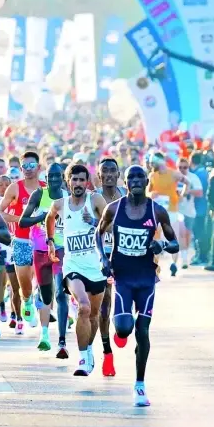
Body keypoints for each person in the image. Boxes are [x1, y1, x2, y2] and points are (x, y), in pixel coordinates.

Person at [96, 165, 179, 406]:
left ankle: (139, 385)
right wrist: (104, 258)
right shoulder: (114, 208)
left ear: (146, 181)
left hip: (145, 279)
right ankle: (121, 330)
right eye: (130, 177)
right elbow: (98, 233)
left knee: (143, 331)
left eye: (139, 177)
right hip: (122, 276)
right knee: (124, 329)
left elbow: (175, 244)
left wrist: (162, 246)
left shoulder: (157, 211)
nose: (135, 181)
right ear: (126, 180)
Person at [45, 164, 108, 377]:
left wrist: (96, 222)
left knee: (94, 315)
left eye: (82, 180)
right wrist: (51, 240)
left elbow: (111, 223)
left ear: (87, 182)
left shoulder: (95, 201)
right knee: (83, 307)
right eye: (74, 180)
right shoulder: (60, 204)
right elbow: (49, 217)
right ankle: (83, 358)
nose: (78, 184)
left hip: (96, 266)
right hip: (73, 266)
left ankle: (89, 351)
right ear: (68, 181)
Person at [19, 162, 68, 354]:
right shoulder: (39, 195)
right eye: (51, 177)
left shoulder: (68, 197)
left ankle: (60, 340)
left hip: (61, 249)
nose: (54, 180)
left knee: (60, 293)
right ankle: (45, 332)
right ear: (45, 180)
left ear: (63, 178)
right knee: (47, 296)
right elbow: (23, 221)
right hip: (40, 252)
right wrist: (43, 217)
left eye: (58, 176)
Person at [0, 151, 44, 332]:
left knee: (43, 281)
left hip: (41, 242)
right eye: (24, 166)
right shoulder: (15, 188)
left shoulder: (45, 188)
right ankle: (27, 302)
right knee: (24, 286)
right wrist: (21, 219)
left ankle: (40, 300)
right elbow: (0, 212)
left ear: (39, 167)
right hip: (21, 241)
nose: (27, 169)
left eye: (31, 166)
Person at [93, 158, 126, 375]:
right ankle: (107, 353)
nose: (109, 175)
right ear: (99, 174)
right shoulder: (93, 198)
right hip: (102, 256)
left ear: (118, 173)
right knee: (104, 307)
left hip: (124, 254)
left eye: (113, 170)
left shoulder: (127, 195)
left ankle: (122, 330)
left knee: (125, 301)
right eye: (105, 171)